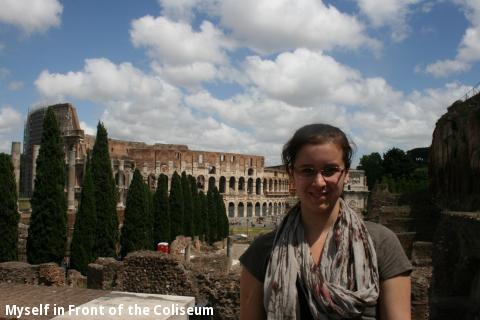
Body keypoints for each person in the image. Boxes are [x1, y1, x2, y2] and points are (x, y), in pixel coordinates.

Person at [240, 124, 412, 320]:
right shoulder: (261, 251)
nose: (319, 181)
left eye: (330, 170)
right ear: (292, 176)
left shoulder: (382, 244)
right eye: (307, 170)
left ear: (346, 174)